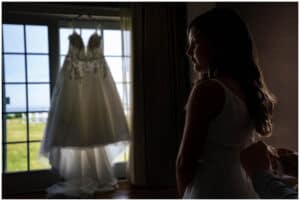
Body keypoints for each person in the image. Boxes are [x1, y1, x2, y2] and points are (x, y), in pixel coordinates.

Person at [176, 8, 276, 198]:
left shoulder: (208, 90)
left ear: (217, 45)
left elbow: (185, 162)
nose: (189, 52)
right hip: (245, 187)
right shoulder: (251, 89)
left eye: (195, 43)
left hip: (211, 187)